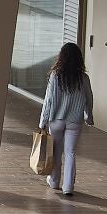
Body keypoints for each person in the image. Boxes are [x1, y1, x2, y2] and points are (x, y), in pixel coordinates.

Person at [37, 42, 94, 197]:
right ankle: (68, 187)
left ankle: (54, 181)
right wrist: (89, 116)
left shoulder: (55, 76)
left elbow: (48, 101)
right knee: (70, 152)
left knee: (56, 151)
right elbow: (89, 98)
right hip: (74, 120)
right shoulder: (84, 78)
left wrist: (43, 121)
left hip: (56, 119)